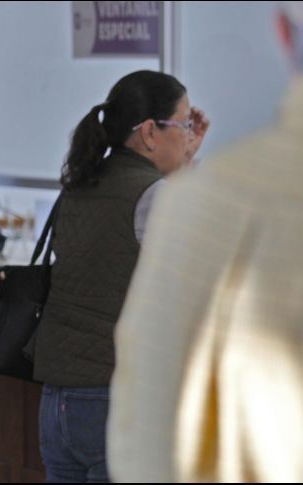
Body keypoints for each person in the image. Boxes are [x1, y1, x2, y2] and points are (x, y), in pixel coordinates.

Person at [107, 5, 303, 482]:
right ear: (151, 133)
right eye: (183, 125)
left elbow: (152, 440)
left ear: (282, 31)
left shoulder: (211, 205)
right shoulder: (185, 199)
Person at [28, 70, 209, 482]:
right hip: (118, 402)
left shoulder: (80, 184)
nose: (186, 135)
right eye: (182, 125)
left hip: (58, 405)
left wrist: (180, 162)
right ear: (149, 133)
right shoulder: (154, 197)